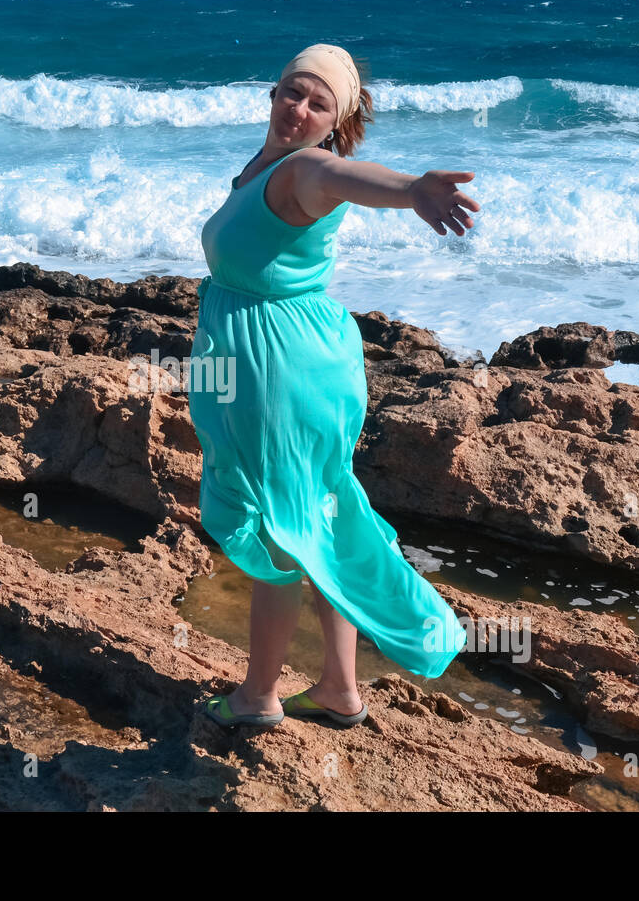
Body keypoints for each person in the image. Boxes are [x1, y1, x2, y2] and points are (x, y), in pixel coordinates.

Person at [190, 43, 481, 729]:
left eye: (319, 102)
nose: (300, 108)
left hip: (282, 367)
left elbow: (350, 179)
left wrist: (410, 191)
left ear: (334, 122)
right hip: (275, 358)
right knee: (315, 514)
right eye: (293, 91)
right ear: (273, 92)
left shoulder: (305, 169)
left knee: (283, 525)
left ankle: (258, 697)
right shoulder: (260, 167)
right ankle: (339, 690)